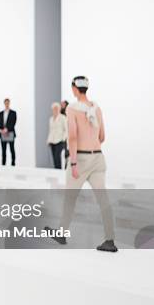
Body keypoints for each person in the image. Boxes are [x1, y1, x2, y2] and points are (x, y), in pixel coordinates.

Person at [46, 76, 117, 252]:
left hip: (81, 159)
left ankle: (62, 233)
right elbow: (102, 137)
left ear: (75, 89)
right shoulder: (96, 108)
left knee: (70, 198)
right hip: (98, 158)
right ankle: (110, 240)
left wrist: (74, 163)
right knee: (104, 200)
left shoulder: (72, 109)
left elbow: (72, 137)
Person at [47, 102, 68, 169]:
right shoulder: (51, 119)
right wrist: (48, 140)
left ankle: (59, 171)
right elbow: (51, 130)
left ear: (59, 109)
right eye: (54, 109)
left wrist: (63, 138)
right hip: (52, 140)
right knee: (54, 158)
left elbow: (66, 129)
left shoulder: (63, 118)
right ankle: (56, 171)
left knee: (57, 157)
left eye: (56, 109)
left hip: (60, 140)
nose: (55, 110)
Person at [0, 98, 17, 166]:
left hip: (10, 132)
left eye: (8, 103)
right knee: (3, 150)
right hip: (3, 133)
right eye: (6, 103)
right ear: (4, 103)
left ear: (9, 103)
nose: (7, 104)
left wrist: (7, 129)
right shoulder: (1, 113)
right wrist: (1, 129)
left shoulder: (13, 113)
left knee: (12, 149)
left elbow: (13, 122)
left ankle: (13, 163)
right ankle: (3, 164)